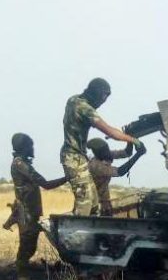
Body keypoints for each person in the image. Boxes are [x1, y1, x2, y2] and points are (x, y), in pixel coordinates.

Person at [60, 77, 142, 215]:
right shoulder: (85, 109)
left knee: (93, 201)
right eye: (101, 99)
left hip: (77, 157)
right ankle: (78, 227)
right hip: (73, 157)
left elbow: (125, 152)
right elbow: (110, 132)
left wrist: (128, 138)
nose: (101, 104)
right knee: (85, 202)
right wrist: (134, 140)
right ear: (96, 94)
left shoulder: (73, 100)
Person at [5, 133, 68, 280]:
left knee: (30, 247)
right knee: (26, 248)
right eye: (30, 146)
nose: (32, 149)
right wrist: (68, 177)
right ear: (23, 147)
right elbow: (45, 184)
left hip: (31, 213)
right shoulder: (20, 164)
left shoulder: (22, 163)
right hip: (26, 214)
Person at [87, 137, 145, 216]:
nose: (108, 151)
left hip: (104, 200)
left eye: (107, 148)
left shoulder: (105, 154)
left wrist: (130, 138)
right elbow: (120, 171)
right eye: (105, 150)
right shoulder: (95, 166)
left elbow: (127, 152)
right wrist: (138, 154)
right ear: (98, 153)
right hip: (93, 203)